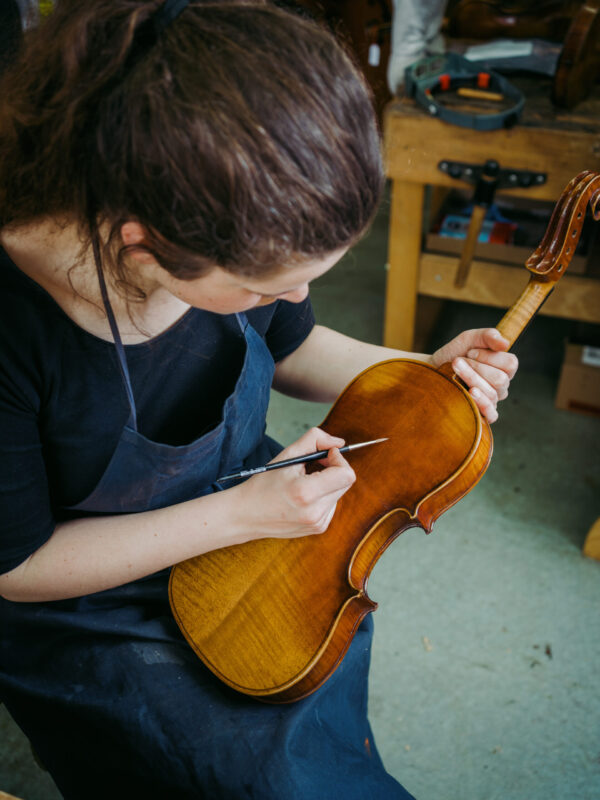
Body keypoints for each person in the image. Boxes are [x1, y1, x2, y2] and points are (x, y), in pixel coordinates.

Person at [0, 1, 518, 798]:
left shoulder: (235, 207)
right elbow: (17, 566)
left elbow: (296, 347)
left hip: (248, 521)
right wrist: (242, 514)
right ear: (141, 244)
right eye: (264, 285)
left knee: (317, 692)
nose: (295, 295)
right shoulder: (14, 329)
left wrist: (422, 367)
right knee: (231, 773)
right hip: (84, 605)